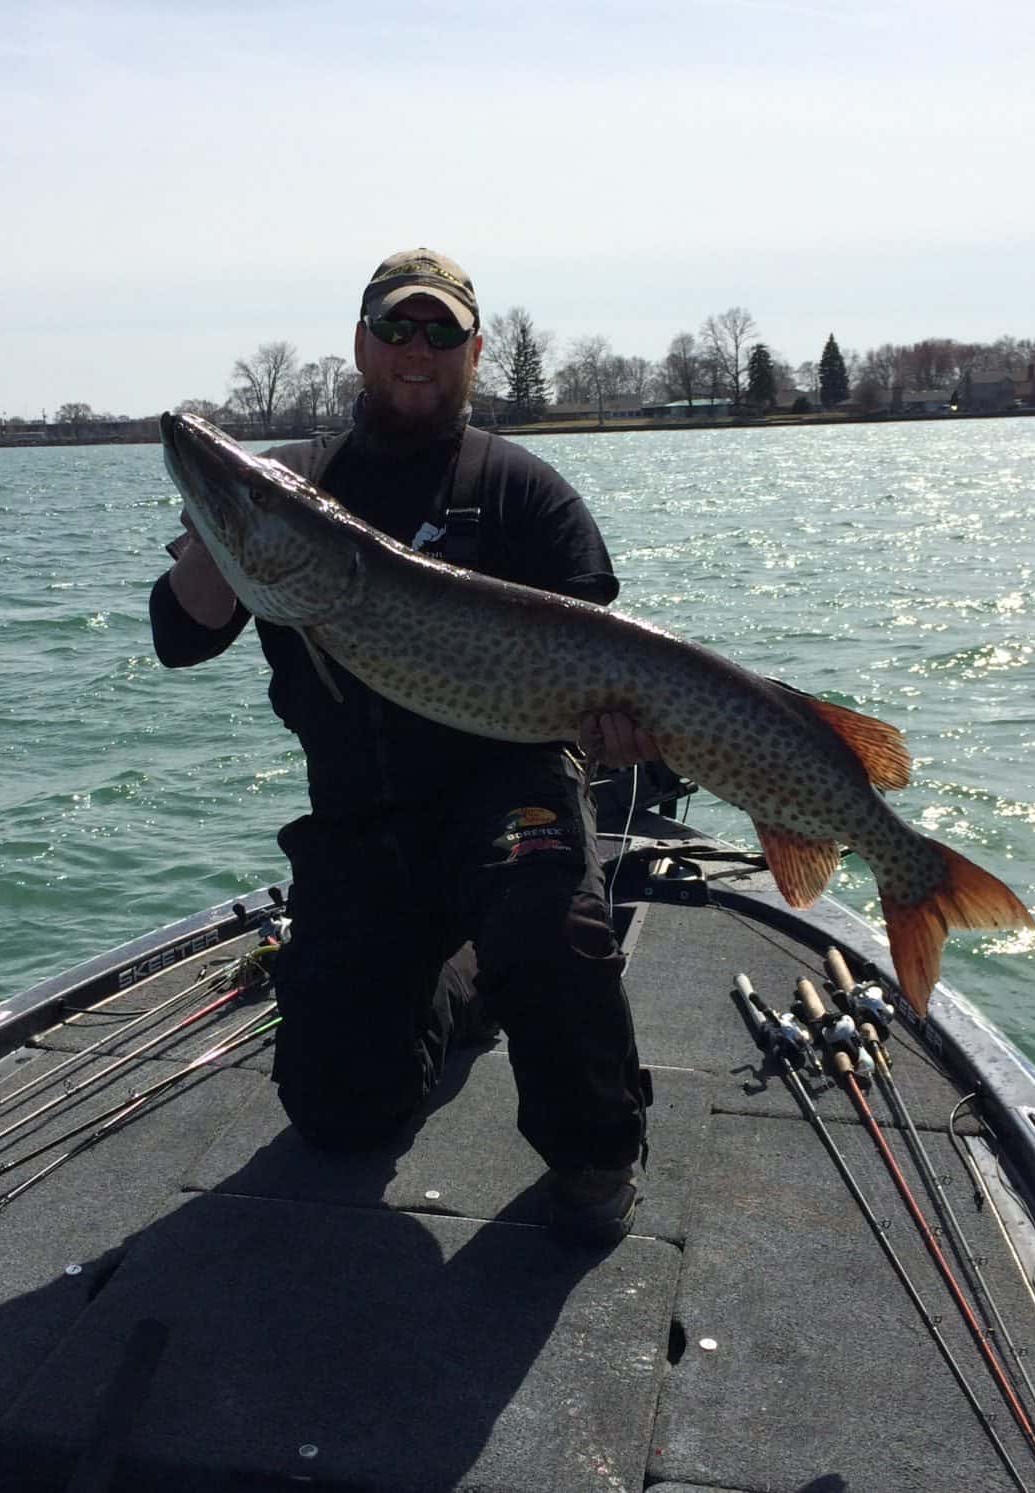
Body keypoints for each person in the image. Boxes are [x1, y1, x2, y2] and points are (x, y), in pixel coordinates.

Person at [150, 248, 657, 1246]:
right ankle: (459, 985)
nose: (413, 351)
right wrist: (225, 529)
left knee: (549, 925)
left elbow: (603, 662)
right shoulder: (289, 486)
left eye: (438, 332)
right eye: (394, 329)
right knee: (338, 1112)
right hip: (359, 820)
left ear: (474, 351)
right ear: (359, 344)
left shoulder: (524, 493)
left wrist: (618, 730)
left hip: (505, 795)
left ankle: (600, 1149)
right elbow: (178, 638)